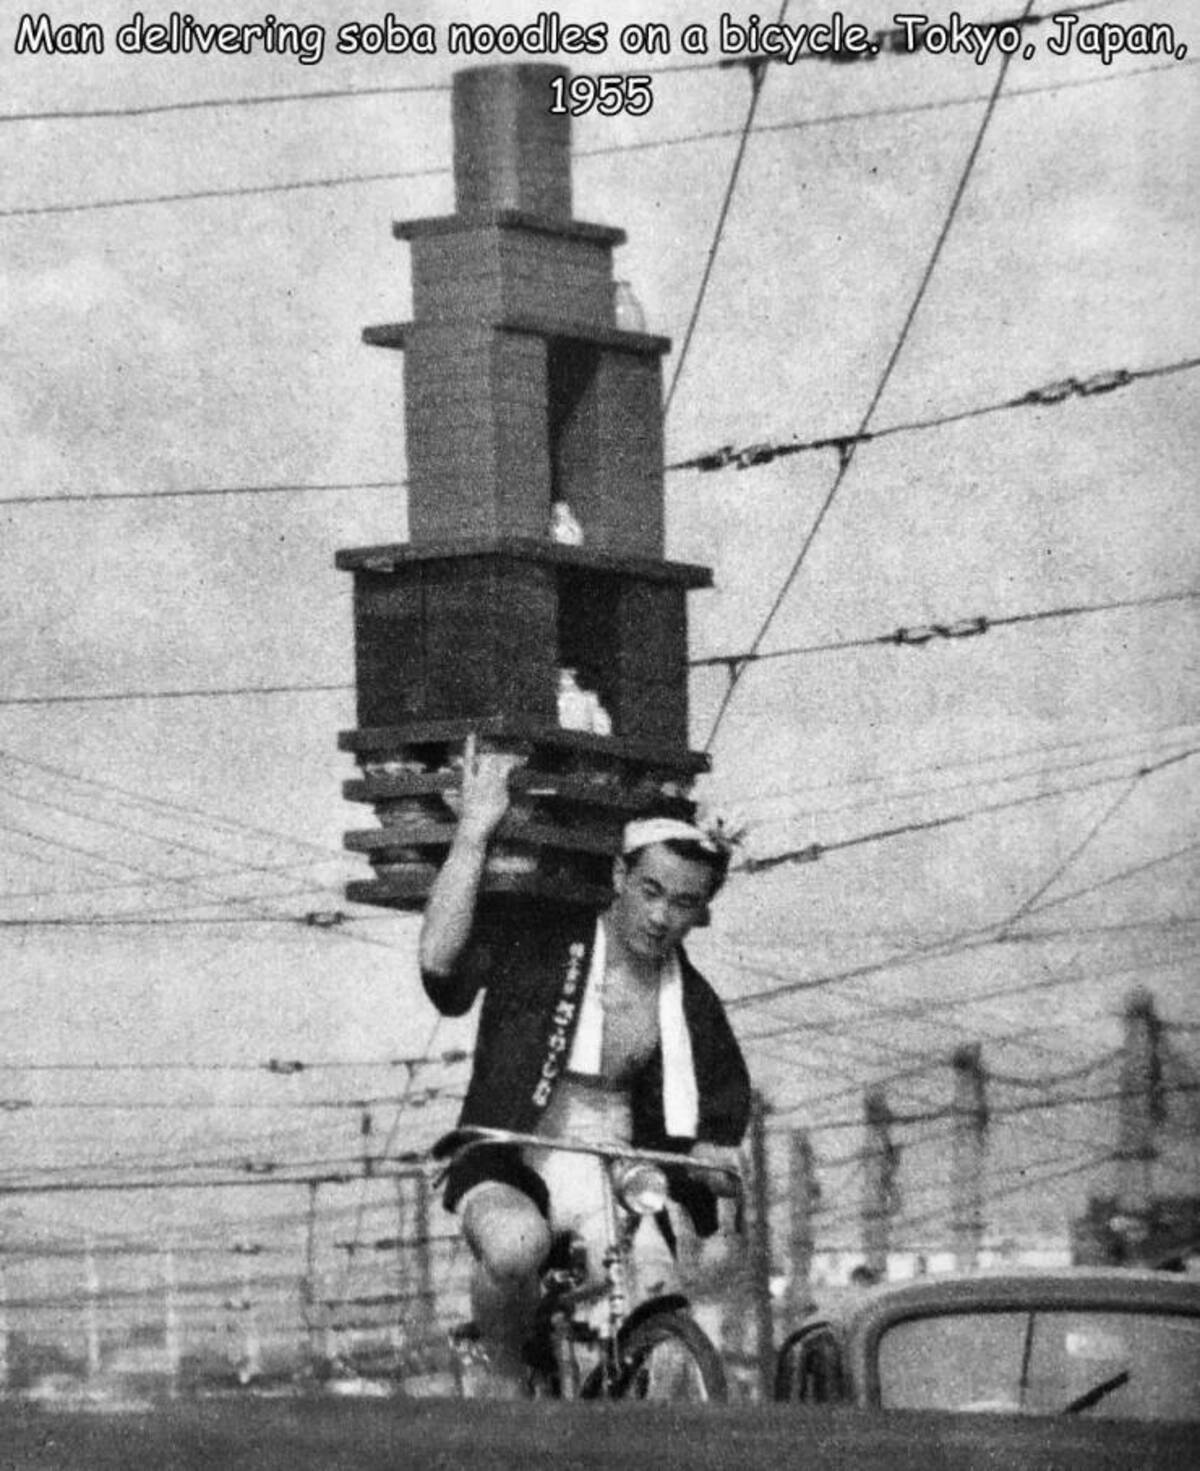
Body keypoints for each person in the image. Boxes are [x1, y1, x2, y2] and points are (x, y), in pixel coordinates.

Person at [419, 735, 751, 1393]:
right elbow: (439, 962)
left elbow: (718, 1109)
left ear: (699, 909)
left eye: (683, 902)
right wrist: (474, 835)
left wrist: (718, 1155)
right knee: (516, 1248)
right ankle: (507, 1373)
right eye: (651, 889)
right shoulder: (544, 942)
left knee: (667, 1304)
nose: (661, 916)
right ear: (620, 876)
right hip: (518, 1144)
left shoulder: (693, 1000)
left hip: (618, 1153)